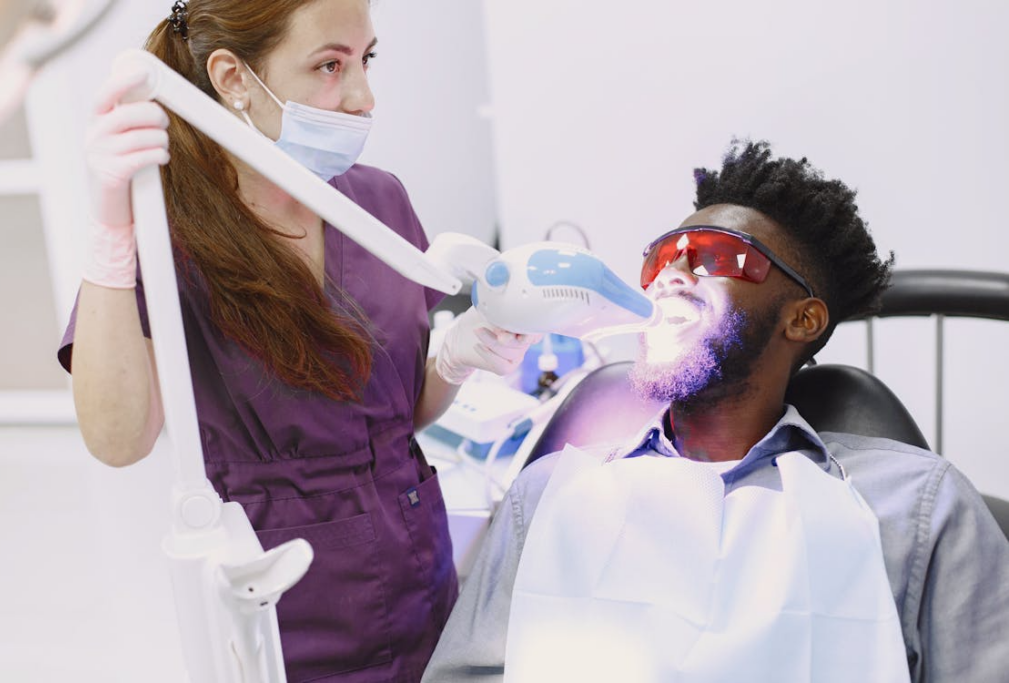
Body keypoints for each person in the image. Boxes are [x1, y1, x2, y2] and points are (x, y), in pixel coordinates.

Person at [57, 1, 538, 680]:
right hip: (280, 612)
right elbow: (118, 438)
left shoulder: (378, 202)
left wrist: (456, 358)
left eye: (365, 59)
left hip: (421, 587)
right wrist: (111, 231)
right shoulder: (171, 236)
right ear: (233, 77)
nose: (364, 97)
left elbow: (396, 414)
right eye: (329, 66)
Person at [423, 140, 1009, 682]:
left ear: (802, 319)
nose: (673, 274)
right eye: (662, 260)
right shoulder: (547, 494)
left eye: (714, 257)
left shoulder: (917, 508)